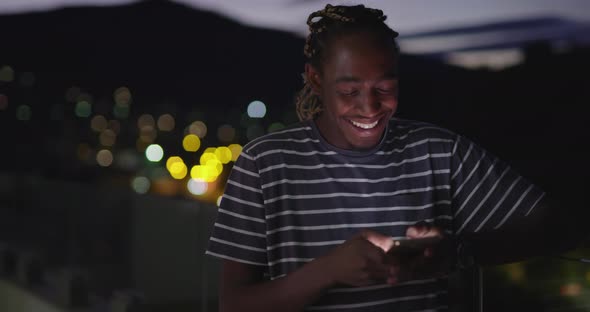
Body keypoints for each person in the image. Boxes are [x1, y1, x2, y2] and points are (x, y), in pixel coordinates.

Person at [206, 4, 581, 311]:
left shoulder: (439, 151)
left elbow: (559, 227)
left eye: (384, 87)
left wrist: (457, 252)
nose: (370, 108)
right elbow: (236, 305)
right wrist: (328, 271)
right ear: (316, 80)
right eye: (350, 90)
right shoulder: (263, 164)